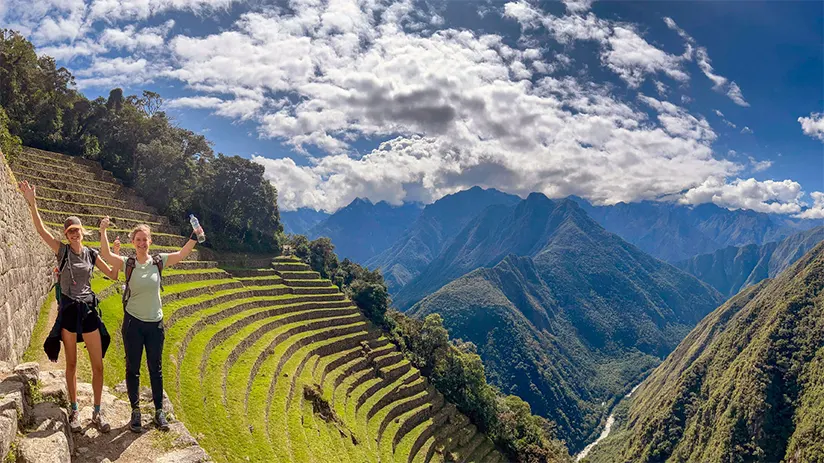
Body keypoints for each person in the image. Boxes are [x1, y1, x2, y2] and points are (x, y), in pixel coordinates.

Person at [18, 180, 117, 433]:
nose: (74, 234)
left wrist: (114, 250)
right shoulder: (62, 251)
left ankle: (96, 411)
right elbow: (41, 231)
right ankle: (74, 410)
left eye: (77, 230)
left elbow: (114, 274)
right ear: (66, 234)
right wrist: (33, 202)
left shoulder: (91, 254)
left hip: (88, 311)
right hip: (70, 311)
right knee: (71, 363)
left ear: (82, 232)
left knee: (98, 365)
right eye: (70, 231)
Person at [98, 217, 201, 433]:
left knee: (156, 369)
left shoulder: (158, 261)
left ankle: (158, 412)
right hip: (133, 322)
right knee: (132, 368)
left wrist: (194, 235)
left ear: (150, 241)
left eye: (145, 239)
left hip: (155, 324)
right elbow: (106, 255)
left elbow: (181, 255)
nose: (142, 243)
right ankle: (135, 411)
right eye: (138, 239)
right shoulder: (128, 263)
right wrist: (103, 231)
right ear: (133, 242)